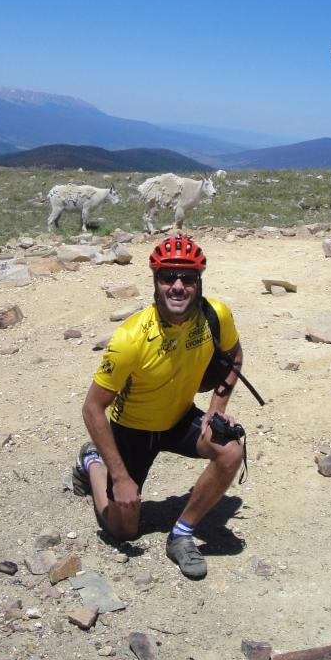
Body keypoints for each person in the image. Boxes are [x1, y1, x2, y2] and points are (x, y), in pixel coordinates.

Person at [72, 236, 244, 579]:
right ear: (155, 281)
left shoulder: (215, 315)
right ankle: (91, 462)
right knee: (123, 530)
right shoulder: (130, 339)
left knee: (231, 450)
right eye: (168, 277)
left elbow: (234, 357)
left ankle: (181, 534)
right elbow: (93, 408)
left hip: (180, 419)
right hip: (133, 430)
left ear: (199, 282)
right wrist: (119, 478)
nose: (178, 286)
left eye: (188, 278)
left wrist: (216, 407)